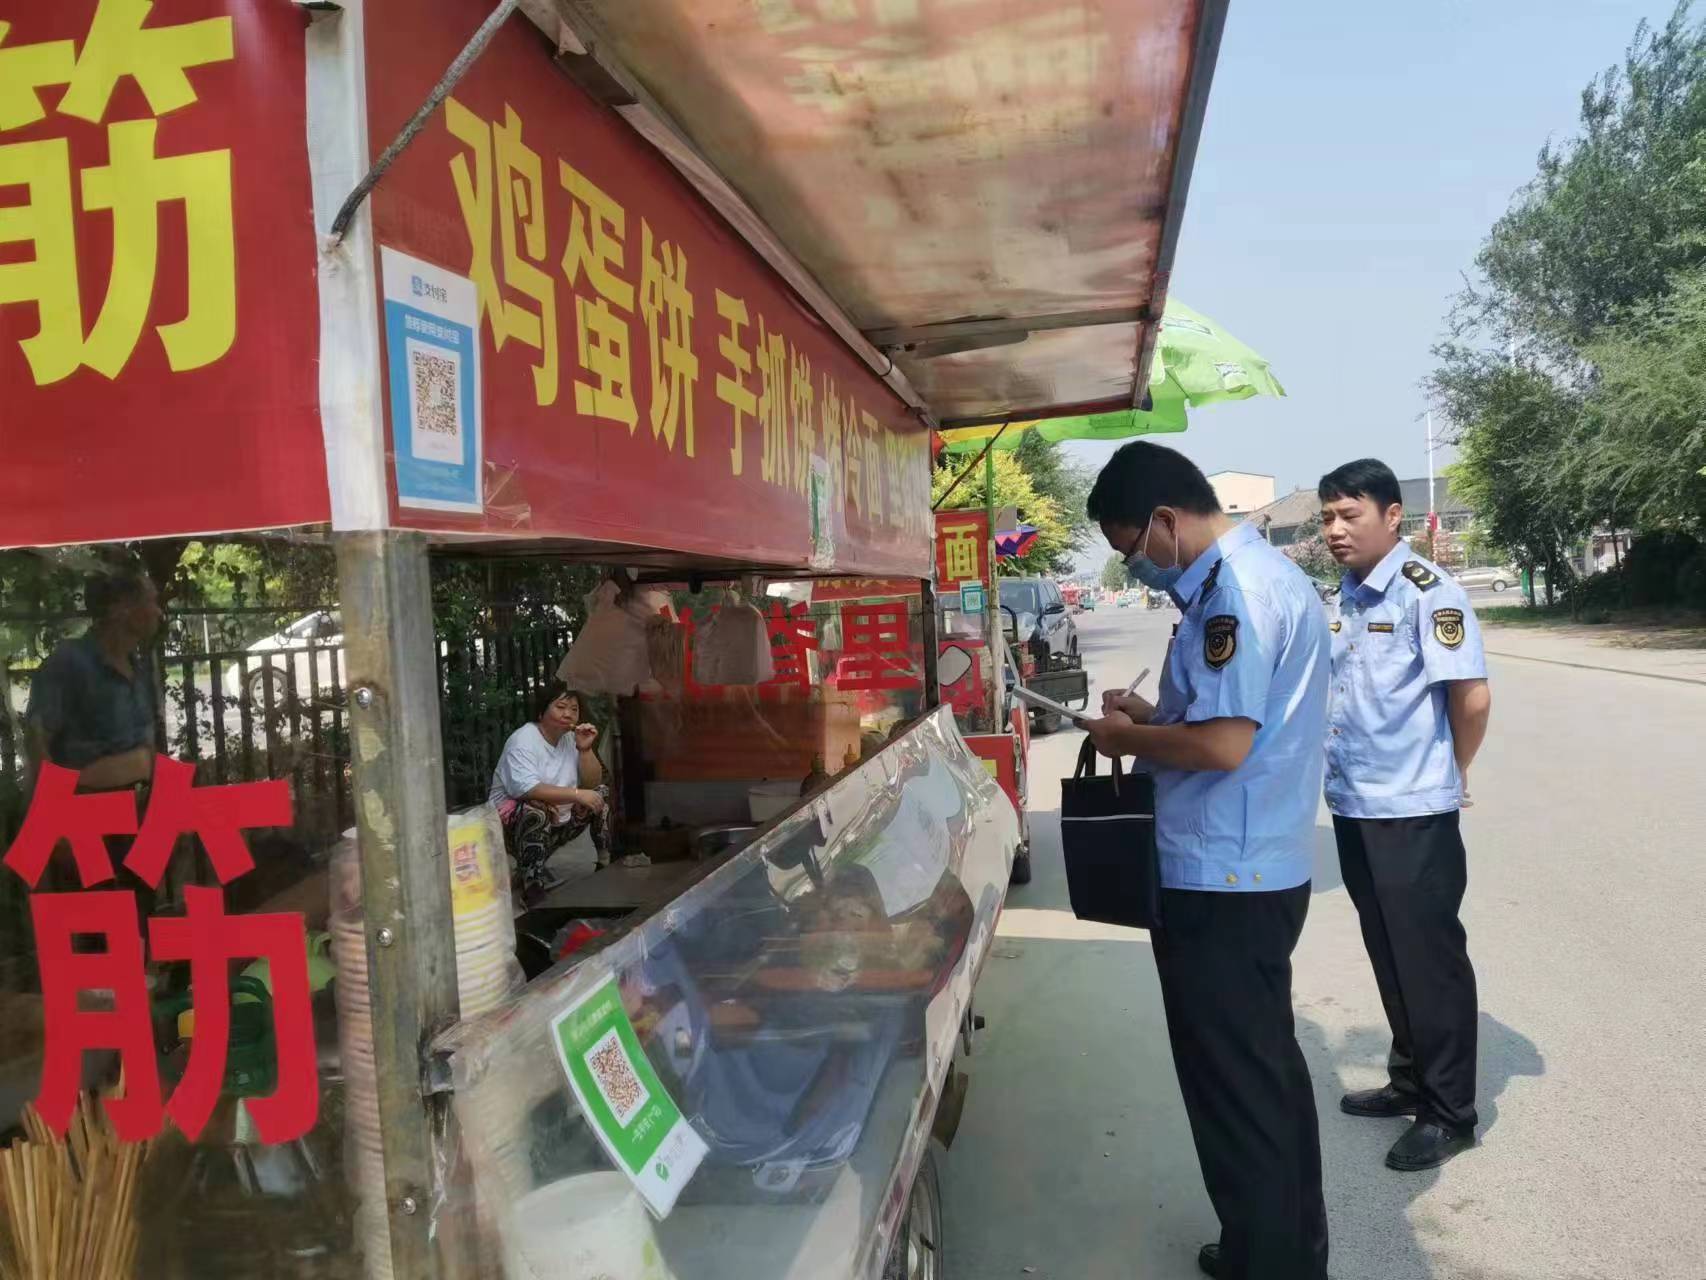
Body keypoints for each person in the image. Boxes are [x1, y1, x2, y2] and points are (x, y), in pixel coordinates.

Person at [1083, 442, 1330, 1280]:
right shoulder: (1249, 584)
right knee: (1262, 1074)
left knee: (1237, 1088)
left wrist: (1127, 737)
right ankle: (1280, 1245)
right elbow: (1225, 723)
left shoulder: (1236, 597)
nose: (1135, 566)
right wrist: (1150, 716)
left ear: (1165, 519)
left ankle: (1273, 1261)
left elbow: (1224, 746)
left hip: (1225, 876)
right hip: (1249, 864)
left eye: (1130, 547)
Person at [1318, 459, 1491, 1172]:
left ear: (1392, 516)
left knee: (1429, 961)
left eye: (1348, 515)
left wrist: (1452, 773)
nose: (1333, 530)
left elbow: (1471, 699)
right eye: (1327, 516)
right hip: (1357, 805)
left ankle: (1451, 1112)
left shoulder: (1430, 593)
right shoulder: (1349, 596)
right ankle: (1410, 1079)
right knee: (1390, 953)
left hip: (1413, 810)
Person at [25, 566, 163, 791]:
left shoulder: (141, 668)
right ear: (121, 608)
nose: (159, 612)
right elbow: (37, 744)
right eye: (151, 601)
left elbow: (147, 747)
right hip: (88, 815)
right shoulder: (70, 663)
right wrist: (57, 804)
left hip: (139, 814)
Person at [490, 681, 610, 896]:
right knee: (535, 809)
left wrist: (585, 749)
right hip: (510, 829)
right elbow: (526, 788)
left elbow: (592, 783)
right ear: (541, 712)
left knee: (598, 795)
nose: (568, 714)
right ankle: (532, 886)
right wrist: (575, 794)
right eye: (561, 707)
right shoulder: (523, 740)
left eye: (574, 709)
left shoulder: (570, 739)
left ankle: (604, 864)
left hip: (557, 821)